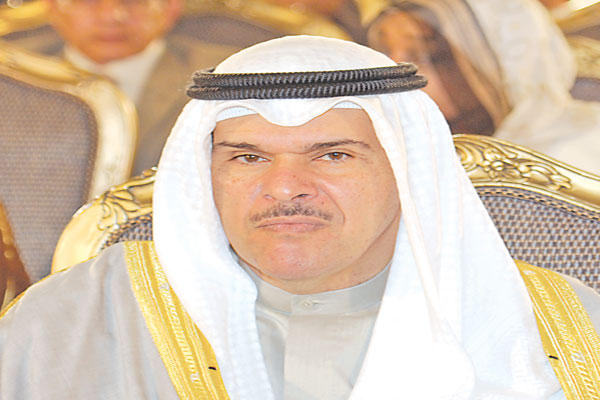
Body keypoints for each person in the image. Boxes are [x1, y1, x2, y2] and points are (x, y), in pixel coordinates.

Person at [1, 36, 600, 399]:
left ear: (408, 172)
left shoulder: (560, 330)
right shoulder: (76, 318)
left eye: (333, 155)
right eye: (247, 157)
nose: (285, 186)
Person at [365, 0, 600, 173]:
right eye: (384, 53)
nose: (392, 71)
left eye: (425, 56)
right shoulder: (407, 156)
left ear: (500, 69)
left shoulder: (571, 156)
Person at [41, 0, 237, 175]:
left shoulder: (224, 77)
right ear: (52, 7)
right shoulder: (23, 78)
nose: (111, 16)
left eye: (134, 1)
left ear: (171, 7)